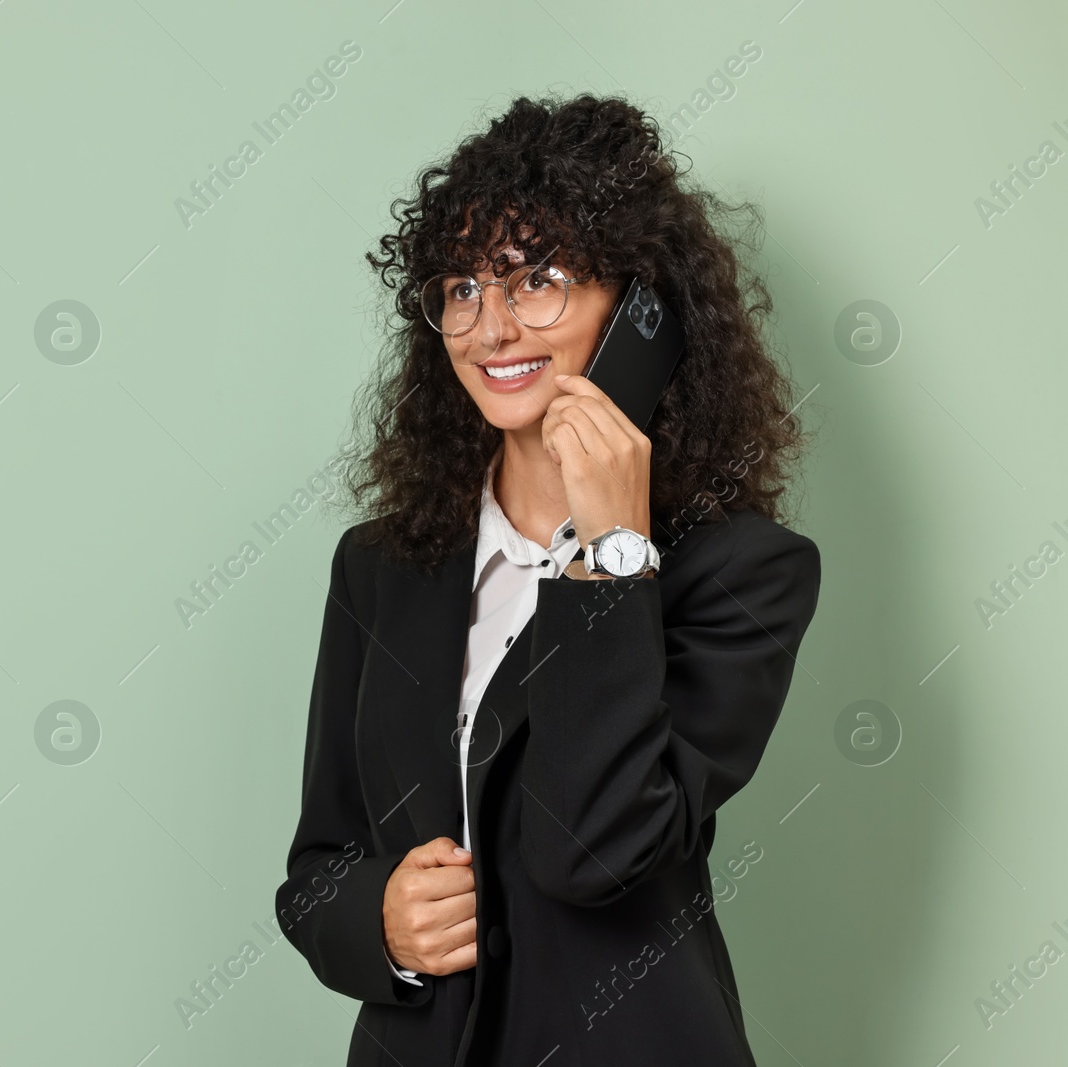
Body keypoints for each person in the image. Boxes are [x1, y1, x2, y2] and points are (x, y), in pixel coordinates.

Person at [273, 94, 823, 1066]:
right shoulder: (380, 566)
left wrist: (613, 547)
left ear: (642, 310)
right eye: (461, 288)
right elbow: (318, 867)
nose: (490, 327)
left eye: (539, 279)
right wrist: (381, 924)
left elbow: (593, 848)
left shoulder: (742, 575)